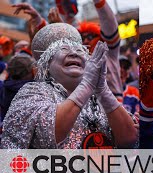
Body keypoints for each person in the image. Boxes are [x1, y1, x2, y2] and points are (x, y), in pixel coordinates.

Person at [1, 23, 137, 149]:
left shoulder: (98, 99)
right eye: (64, 49)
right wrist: (87, 85)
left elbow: (129, 140)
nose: (73, 53)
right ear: (47, 65)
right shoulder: (32, 92)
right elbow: (48, 135)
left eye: (79, 50)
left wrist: (103, 91)